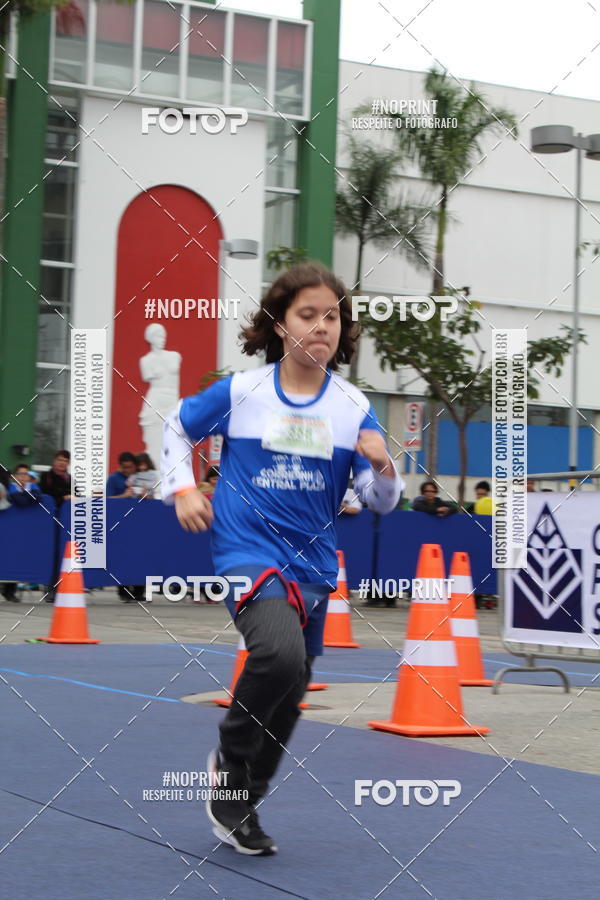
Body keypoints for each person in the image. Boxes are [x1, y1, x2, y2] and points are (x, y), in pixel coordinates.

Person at [161, 261, 404, 856]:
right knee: (277, 651)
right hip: (247, 549)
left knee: (293, 689)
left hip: (314, 564)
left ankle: (243, 797)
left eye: (332, 316)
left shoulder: (352, 405)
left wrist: (384, 464)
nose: (321, 326)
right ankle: (230, 759)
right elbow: (176, 423)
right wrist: (183, 486)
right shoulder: (245, 391)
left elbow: (381, 502)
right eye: (307, 314)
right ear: (279, 323)